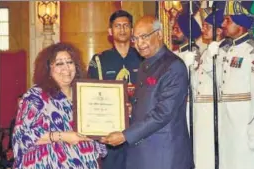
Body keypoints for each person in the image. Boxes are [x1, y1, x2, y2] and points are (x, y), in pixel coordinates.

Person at [100, 15, 193, 169]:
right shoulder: (145, 66)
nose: (139, 44)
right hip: (143, 154)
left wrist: (125, 135)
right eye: (135, 39)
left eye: (144, 37)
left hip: (164, 155)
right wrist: (129, 110)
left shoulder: (173, 66)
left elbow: (163, 113)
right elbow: (146, 104)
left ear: (160, 34)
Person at [12, 42, 107, 169]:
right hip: (47, 164)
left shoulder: (85, 94)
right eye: (59, 64)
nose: (66, 68)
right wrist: (64, 136)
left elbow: (97, 130)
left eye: (70, 62)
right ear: (48, 69)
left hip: (84, 162)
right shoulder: (36, 96)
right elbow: (23, 136)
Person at [87, 10, 142, 169]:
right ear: (110, 31)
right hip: (110, 130)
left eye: (126, 25)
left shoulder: (143, 58)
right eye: (118, 26)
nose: (122, 29)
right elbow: (91, 97)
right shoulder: (100, 60)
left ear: (132, 30)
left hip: (138, 128)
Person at [219, 2, 254, 169]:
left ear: (240, 24)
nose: (222, 24)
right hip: (227, 125)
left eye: (228, 20)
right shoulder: (226, 50)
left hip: (245, 125)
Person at [185, 9, 232, 169]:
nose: (202, 29)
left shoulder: (226, 51)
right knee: (200, 157)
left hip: (214, 113)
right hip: (201, 114)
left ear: (219, 31)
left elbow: (223, 83)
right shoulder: (206, 51)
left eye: (207, 26)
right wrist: (189, 68)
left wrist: (214, 60)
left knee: (212, 158)